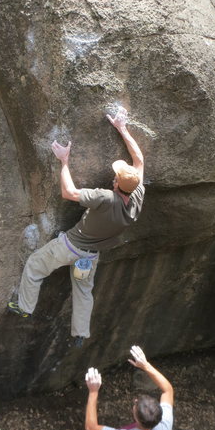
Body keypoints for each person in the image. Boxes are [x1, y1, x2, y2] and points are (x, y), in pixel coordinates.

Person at [8, 107, 145, 347]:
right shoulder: (136, 198)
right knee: (83, 291)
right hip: (90, 258)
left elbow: (68, 192)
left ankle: (24, 308)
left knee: (34, 266)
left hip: (68, 247)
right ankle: (80, 334)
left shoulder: (104, 197)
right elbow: (140, 161)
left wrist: (64, 161)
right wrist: (122, 129)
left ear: (115, 182)